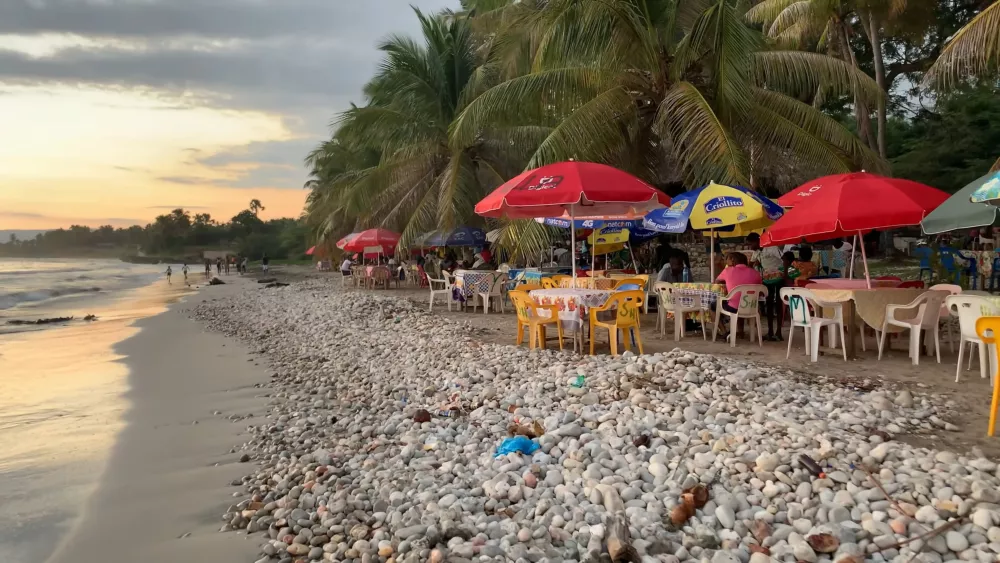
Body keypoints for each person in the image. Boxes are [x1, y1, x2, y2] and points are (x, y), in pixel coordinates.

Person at [714, 252, 763, 339]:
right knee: (741, 301)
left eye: (727, 259)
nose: (725, 261)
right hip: (751, 306)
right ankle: (740, 332)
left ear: (732, 260)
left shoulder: (727, 271)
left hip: (733, 307)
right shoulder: (755, 273)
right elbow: (760, 289)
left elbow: (716, 282)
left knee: (712, 306)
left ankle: (724, 332)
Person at [762, 251, 797, 341]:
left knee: (778, 307)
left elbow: (787, 278)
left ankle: (778, 331)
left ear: (789, 261)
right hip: (777, 289)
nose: (782, 260)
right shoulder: (779, 268)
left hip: (785, 293)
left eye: (784, 259)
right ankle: (771, 331)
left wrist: (785, 268)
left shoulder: (791, 269)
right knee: (770, 304)